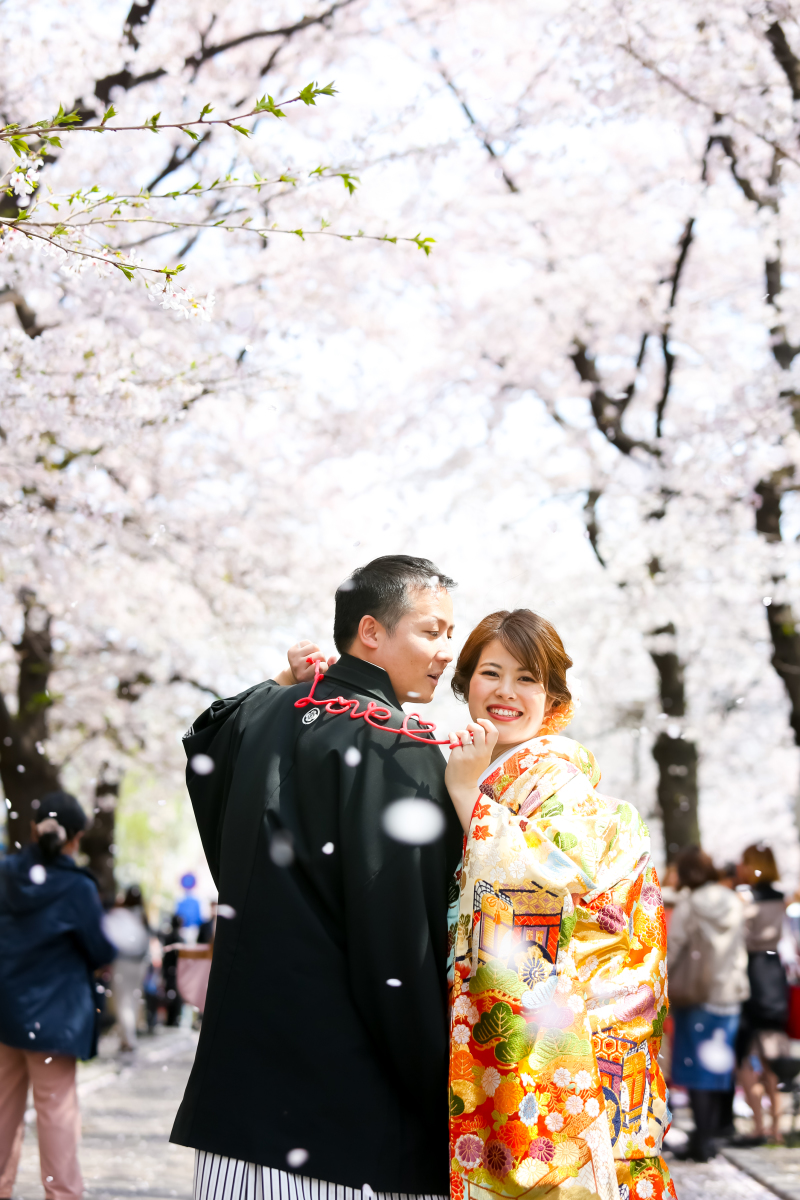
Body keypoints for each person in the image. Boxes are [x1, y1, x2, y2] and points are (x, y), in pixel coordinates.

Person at [171, 555, 464, 1199]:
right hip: (341, 1114)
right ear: (371, 632)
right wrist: (445, 1091)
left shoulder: (265, 716)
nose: (448, 652)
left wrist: (284, 683)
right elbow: (399, 950)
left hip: (240, 1100)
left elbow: (205, 739)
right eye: (432, 630)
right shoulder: (402, 751)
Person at [442, 610, 675, 1200]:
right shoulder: (495, 771)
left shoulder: (553, 779)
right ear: (465, 680)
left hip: (578, 1051)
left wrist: (470, 798)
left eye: (527, 679)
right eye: (490, 673)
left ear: (553, 698)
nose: (505, 693)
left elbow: (542, 897)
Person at [0, 790, 117, 1200]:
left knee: (1, 1113)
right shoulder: (77, 888)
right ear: (77, 837)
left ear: (33, 829)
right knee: (56, 1115)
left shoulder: (5, 873)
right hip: (54, 1018)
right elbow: (101, 950)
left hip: (5, 1010)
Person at [667, 846, 748, 1161]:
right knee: (718, 1065)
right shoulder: (732, 901)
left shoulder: (690, 905)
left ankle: (701, 1139)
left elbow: (673, 950)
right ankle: (711, 1135)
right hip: (729, 994)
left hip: (696, 994)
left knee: (696, 1066)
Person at [736, 843, 789, 1144]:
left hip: (750, 970)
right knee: (771, 1056)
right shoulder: (781, 897)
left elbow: (740, 935)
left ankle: (758, 1125)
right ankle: (777, 1128)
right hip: (772, 971)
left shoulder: (745, 897)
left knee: (746, 1054)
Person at [103, 884, 151, 1052]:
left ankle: (129, 1039)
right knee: (132, 999)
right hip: (139, 965)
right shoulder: (142, 916)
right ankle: (128, 1037)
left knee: (122, 1001)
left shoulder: (120, 914)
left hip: (122, 963)